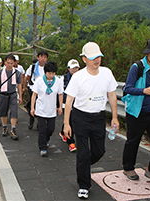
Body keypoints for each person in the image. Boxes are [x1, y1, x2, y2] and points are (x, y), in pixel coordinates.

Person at [63, 42, 119, 199]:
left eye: (98, 57)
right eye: (93, 57)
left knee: (99, 151)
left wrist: (114, 117)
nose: (97, 60)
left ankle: (85, 164)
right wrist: (67, 123)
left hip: (98, 117)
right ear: (84, 59)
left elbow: (112, 95)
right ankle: (84, 185)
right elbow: (69, 101)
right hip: (80, 117)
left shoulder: (107, 73)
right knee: (82, 153)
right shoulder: (78, 77)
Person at [122, 39, 150, 186]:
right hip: (137, 112)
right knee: (133, 141)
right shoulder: (137, 67)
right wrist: (144, 91)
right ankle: (128, 168)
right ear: (148, 54)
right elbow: (127, 89)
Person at [30, 61, 63, 157]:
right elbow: (34, 95)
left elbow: (60, 94)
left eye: (53, 73)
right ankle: (43, 148)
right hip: (40, 109)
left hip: (51, 110)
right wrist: (32, 108)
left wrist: (60, 106)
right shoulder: (39, 81)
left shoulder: (58, 81)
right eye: (49, 73)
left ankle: (47, 139)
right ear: (45, 72)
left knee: (51, 129)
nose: (51, 75)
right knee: (42, 130)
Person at [0, 54, 22, 140]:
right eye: (8, 63)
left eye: (11, 63)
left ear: (14, 63)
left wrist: (20, 96)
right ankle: (5, 127)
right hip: (3, 94)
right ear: (5, 62)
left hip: (13, 94)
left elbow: (19, 85)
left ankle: (13, 129)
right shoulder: (0, 72)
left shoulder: (17, 73)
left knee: (14, 112)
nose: (9, 65)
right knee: (3, 112)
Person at [58, 59, 79, 152]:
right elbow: (60, 93)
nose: (75, 70)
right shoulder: (63, 79)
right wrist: (59, 105)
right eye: (72, 68)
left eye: (76, 68)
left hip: (77, 104)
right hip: (66, 104)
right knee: (71, 122)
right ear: (68, 68)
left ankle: (63, 132)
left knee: (71, 121)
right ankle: (71, 143)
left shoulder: (81, 78)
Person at [25, 51, 48, 130]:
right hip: (34, 89)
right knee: (33, 105)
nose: (43, 59)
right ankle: (31, 119)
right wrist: (30, 84)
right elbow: (28, 76)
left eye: (45, 57)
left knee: (42, 106)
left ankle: (39, 122)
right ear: (38, 58)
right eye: (41, 57)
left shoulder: (48, 67)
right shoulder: (33, 67)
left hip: (44, 90)